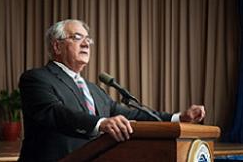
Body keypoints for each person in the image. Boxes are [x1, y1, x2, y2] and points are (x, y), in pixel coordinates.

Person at [18, 19, 205, 161]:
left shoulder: (93, 90)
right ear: (57, 46)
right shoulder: (36, 78)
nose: (85, 44)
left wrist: (178, 118)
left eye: (87, 40)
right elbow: (56, 113)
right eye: (77, 38)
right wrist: (101, 123)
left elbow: (132, 114)